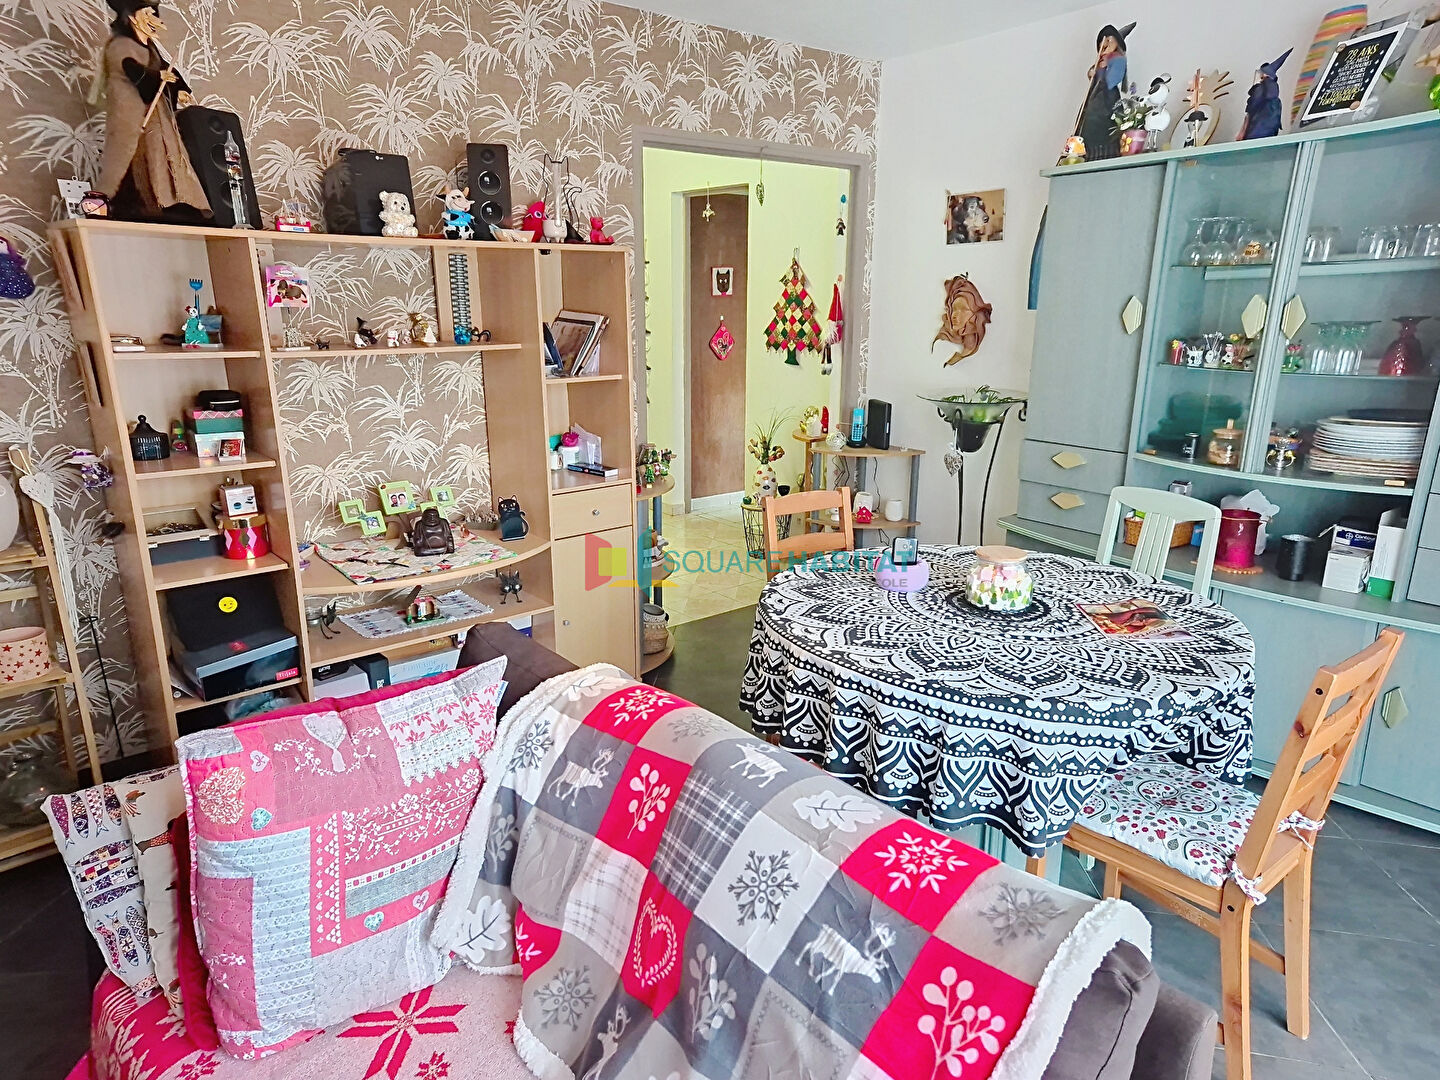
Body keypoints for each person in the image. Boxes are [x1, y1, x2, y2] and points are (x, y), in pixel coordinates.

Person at [95, 0, 210, 221]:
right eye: (147, 13)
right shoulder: (121, 45)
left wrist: (179, 87)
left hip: (159, 112)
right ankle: (152, 202)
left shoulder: (150, 48)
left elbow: (165, 68)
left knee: (169, 153)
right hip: (136, 112)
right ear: (132, 16)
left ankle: (176, 201)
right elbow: (128, 67)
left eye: (153, 14)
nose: (154, 20)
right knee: (147, 154)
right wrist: (156, 77)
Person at [1074, 22, 1135, 161]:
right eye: (1103, 41)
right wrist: (1094, 72)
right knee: (1088, 124)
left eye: (1109, 40)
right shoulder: (1100, 63)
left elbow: (1112, 80)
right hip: (1094, 99)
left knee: (1106, 126)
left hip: (1107, 100)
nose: (1106, 44)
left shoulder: (1117, 60)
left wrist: (1105, 68)